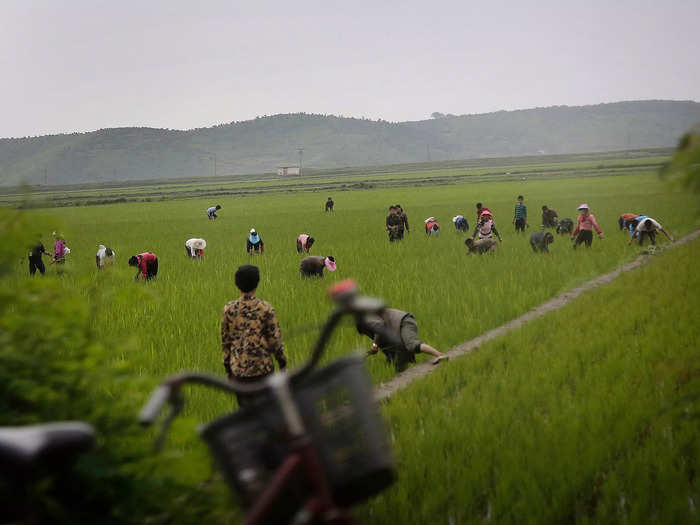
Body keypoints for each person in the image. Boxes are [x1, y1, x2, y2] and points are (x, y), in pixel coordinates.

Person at [221, 265, 287, 407]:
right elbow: (275, 340)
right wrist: (282, 364)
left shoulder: (229, 309)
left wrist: (228, 370)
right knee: (267, 412)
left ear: (237, 284)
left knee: (246, 414)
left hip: (239, 373)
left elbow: (226, 342)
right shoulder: (265, 308)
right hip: (263, 371)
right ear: (257, 283)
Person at [357, 308, 448, 373]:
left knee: (411, 344)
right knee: (395, 350)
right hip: (399, 326)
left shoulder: (367, 320)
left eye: (365, 332)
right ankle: (406, 368)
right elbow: (385, 343)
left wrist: (375, 344)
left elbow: (380, 327)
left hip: (404, 322)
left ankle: (440, 355)